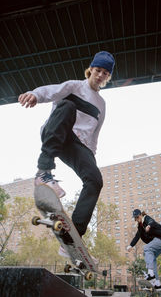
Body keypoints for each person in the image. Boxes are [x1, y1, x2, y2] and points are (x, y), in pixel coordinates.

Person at [18, 51, 115, 246]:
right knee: (68, 106)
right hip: (56, 131)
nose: (100, 75)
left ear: (108, 77)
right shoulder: (74, 86)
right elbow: (52, 90)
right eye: (98, 70)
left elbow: (94, 134)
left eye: (105, 73)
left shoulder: (102, 105)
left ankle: (73, 235)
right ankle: (44, 172)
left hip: (77, 146)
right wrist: (35, 95)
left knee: (95, 180)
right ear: (91, 70)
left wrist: (90, 162)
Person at [127, 209, 161, 291]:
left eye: (137, 217)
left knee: (147, 248)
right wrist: (130, 245)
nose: (137, 219)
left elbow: (152, 221)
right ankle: (157, 283)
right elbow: (137, 237)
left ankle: (150, 273)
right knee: (151, 257)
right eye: (135, 218)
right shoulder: (140, 226)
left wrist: (149, 226)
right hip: (158, 243)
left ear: (140, 215)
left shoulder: (146, 218)